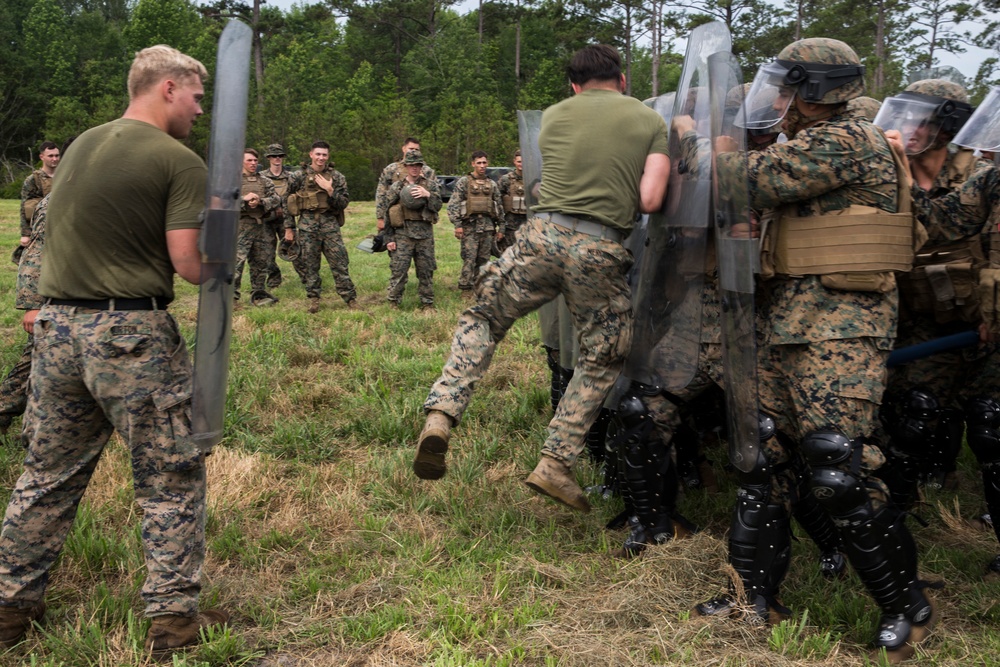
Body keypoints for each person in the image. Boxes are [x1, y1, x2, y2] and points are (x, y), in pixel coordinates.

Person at [688, 38, 936, 664]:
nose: (780, 101)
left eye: (789, 88)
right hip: (790, 320)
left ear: (818, 89)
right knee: (760, 451)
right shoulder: (815, 137)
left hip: (841, 326)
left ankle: (906, 606)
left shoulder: (849, 139)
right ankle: (753, 599)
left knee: (836, 466)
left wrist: (713, 142)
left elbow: (743, 181)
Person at [0, 44, 228, 655]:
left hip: (55, 334)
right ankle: (172, 624)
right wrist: (221, 260)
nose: (200, 112)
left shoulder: (81, 145)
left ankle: (9, 610)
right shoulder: (177, 160)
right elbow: (187, 264)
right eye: (197, 99)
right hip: (129, 338)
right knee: (170, 478)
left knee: (46, 477)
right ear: (169, 88)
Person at [412, 44, 670, 515]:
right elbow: (651, 199)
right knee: (602, 353)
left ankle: (442, 414)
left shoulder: (553, 116)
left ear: (573, 85)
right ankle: (555, 461)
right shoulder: (650, 121)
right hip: (600, 248)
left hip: (540, 237)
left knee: (484, 317)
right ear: (623, 79)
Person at [874, 79, 990, 502]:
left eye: (920, 120)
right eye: (903, 116)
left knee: (983, 416)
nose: (908, 129)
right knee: (913, 405)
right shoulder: (885, 177)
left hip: (980, 319)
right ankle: (915, 486)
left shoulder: (980, 177)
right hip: (919, 315)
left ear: (947, 127)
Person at [286, 141, 357, 314]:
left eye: (324, 154)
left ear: (328, 156)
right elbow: (286, 202)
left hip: (330, 225)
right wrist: (289, 228)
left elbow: (343, 203)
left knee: (340, 263)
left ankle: (350, 299)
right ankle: (314, 299)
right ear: (311, 154)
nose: (321, 158)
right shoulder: (298, 176)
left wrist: (330, 190)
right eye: (318, 154)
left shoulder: (337, 177)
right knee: (310, 264)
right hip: (307, 226)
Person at [384, 149, 442, 309]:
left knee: (426, 270)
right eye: (411, 165)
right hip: (403, 234)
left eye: (418, 165)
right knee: (399, 270)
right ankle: (393, 301)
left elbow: (438, 206)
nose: (414, 168)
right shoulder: (397, 186)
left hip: (424, 234)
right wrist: (388, 238)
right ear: (406, 166)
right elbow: (387, 211)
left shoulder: (430, 185)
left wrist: (428, 195)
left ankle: (427, 303)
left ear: (421, 166)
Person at [447, 151, 504, 295]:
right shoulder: (464, 182)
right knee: (469, 259)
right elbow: (453, 204)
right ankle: (466, 289)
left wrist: (501, 227)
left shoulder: (492, 184)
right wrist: (457, 225)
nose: (482, 166)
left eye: (484, 162)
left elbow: (499, 206)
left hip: (487, 227)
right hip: (469, 227)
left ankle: (480, 287)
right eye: (479, 163)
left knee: (484, 260)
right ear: (473, 164)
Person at [234, 148, 281, 306]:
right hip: (239, 227)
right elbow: (222, 200)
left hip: (260, 226)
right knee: (236, 264)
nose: (253, 163)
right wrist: (243, 199)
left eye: (255, 161)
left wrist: (261, 201)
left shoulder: (264, 181)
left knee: (260, 263)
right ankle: (231, 297)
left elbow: (276, 199)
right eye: (249, 160)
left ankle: (259, 295)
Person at [375, 137, 436, 234]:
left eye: (417, 150)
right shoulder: (391, 169)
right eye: (411, 149)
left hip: (421, 221)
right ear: (403, 148)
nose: (414, 151)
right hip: (398, 220)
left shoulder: (427, 171)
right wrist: (380, 218)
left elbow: (436, 194)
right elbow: (381, 194)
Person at [261, 143, 295, 288]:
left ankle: (308, 279)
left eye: (280, 156)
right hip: (267, 219)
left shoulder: (291, 177)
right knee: (267, 254)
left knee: (294, 250)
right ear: (269, 158)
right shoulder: (261, 176)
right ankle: (274, 279)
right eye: (274, 156)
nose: (277, 159)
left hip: (286, 220)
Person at [18, 141, 59, 250]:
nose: (54, 159)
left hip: (61, 227)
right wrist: (25, 234)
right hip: (40, 230)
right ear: (42, 157)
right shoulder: (33, 180)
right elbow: (25, 207)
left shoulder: (64, 176)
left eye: (56, 155)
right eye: (50, 156)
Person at [496, 150, 527, 255]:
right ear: (514, 161)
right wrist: (501, 224)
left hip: (528, 223)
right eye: (519, 161)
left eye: (524, 161)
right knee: (508, 254)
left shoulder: (532, 179)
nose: (521, 164)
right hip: (510, 224)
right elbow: (497, 200)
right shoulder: (506, 180)